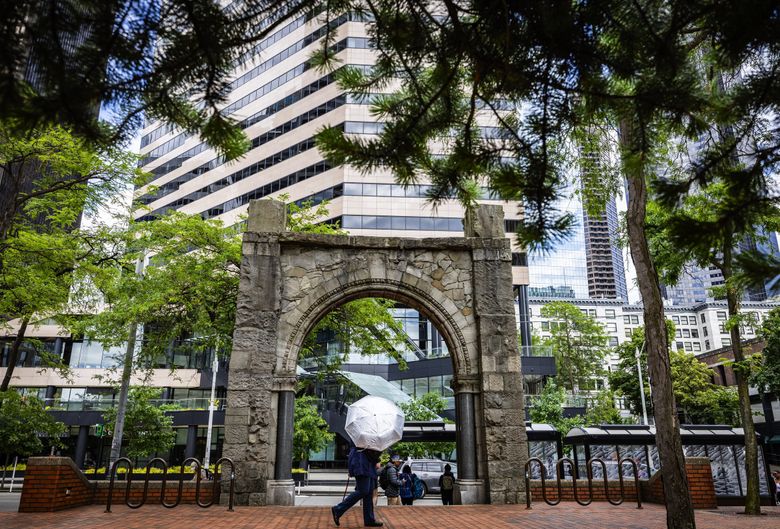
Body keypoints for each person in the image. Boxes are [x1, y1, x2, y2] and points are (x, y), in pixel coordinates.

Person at [332, 446, 382, 527]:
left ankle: (369, 519)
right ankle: (338, 509)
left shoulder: (367, 440)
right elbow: (357, 453)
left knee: (369, 493)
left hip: (368, 467)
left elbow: (371, 453)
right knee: (363, 491)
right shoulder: (359, 441)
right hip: (361, 466)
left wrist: (377, 458)